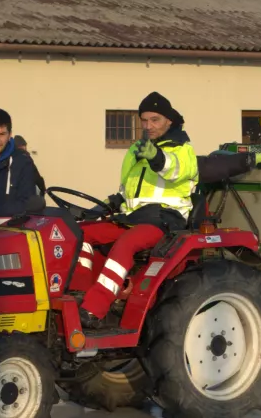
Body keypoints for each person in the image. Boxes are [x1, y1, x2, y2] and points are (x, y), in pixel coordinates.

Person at [75, 92, 198, 328]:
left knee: (126, 244)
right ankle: (78, 294)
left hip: (164, 220)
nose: (148, 126)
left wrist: (156, 158)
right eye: (144, 120)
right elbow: (127, 191)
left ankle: (94, 310)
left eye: (155, 120)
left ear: (168, 120)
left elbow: (176, 170)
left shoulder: (182, 149)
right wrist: (103, 206)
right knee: (78, 233)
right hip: (133, 217)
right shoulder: (136, 150)